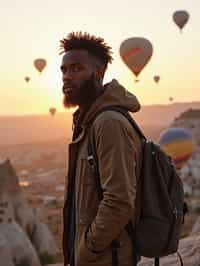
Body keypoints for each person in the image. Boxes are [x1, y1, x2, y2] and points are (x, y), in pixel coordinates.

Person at [60, 31, 143, 266]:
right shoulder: (88, 122)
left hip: (106, 260)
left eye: (76, 69)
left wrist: (86, 250)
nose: (67, 77)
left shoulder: (108, 123)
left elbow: (119, 200)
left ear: (98, 73)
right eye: (64, 70)